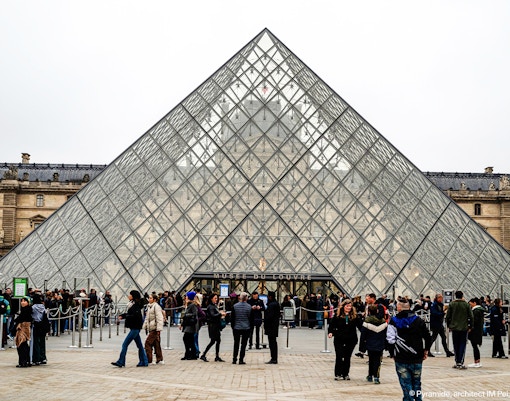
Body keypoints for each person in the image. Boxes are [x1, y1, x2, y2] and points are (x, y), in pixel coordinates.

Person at [387, 299, 431, 401]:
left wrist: (392, 353)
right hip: (417, 356)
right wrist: (426, 350)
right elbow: (428, 336)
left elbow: (390, 339)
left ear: (399, 307)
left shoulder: (394, 321)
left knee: (406, 384)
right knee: (417, 383)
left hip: (401, 356)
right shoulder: (418, 320)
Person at [111, 290, 148, 367]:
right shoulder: (134, 305)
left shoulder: (135, 305)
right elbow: (131, 314)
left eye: (130, 294)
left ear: (133, 296)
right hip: (134, 328)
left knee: (125, 344)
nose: (128, 295)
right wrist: (123, 316)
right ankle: (144, 361)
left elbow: (135, 316)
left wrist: (126, 317)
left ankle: (121, 361)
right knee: (140, 346)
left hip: (135, 328)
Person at [327, 299, 361, 380]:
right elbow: (331, 325)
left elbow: (360, 326)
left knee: (347, 356)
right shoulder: (337, 316)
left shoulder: (355, 316)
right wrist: (330, 332)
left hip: (351, 339)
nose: (349, 308)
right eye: (347, 306)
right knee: (339, 355)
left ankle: (345, 373)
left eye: (350, 306)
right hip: (339, 338)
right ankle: (338, 373)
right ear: (343, 306)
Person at [360, 305, 388, 384]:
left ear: (369, 311)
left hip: (370, 344)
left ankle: (370, 375)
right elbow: (386, 334)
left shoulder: (367, 321)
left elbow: (363, 335)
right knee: (377, 361)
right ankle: (376, 377)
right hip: (380, 344)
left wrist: (362, 347)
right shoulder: (383, 321)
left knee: (371, 360)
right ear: (377, 311)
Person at [446, 290, 473, 369]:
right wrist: (470, 326)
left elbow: (448, 316)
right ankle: (460, 362)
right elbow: (471, 316)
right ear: (462, 296)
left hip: (454, 328)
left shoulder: (452, 304)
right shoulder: (466, 305)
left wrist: (449, 326)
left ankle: (457, 361)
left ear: (455, 296)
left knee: (455, 344)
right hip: (464, 328)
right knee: (462, 344)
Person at [200, 293, 226, 362]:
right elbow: (212, 315)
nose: (216, 299)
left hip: (215, 326)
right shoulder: (211, 306)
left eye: (217, 298)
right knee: (213, 341)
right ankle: (204, 354)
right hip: (213, 326)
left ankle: (215, 356)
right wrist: (220, 314)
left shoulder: (213, 306)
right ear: (211, 298)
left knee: (216, 341)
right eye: (215, 298)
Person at [428, 293, 454, 357]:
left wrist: (443, 311)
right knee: (434, 337)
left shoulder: (440, 304)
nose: (441, 299)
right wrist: (443, 313)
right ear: (437, 298)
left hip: (439, 323)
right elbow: (434, 313)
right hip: (435, 323)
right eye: (440, 298)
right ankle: (427, 350)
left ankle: (447, 351)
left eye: (442, 298)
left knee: (443, 337)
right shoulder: (433, 305)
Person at [142, 293, 164, 365]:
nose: (149, 299)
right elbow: (147, 318)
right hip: (151, 328)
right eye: (149, 298)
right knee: (156, 344)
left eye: (151, 298)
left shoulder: (156, 307)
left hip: (154, 328)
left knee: (147, 343)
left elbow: (159, 318)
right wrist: (145, 326)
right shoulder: (149, 306)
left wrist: (159, 329)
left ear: (154, 300)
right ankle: (160, 359)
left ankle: (149, 360)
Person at [230, 291, 252, 364]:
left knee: (236, 343)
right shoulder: (249, 307)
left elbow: (232, 318)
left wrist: (233, 327)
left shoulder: (235, 306)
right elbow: (251, 319)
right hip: (246, 327)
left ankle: (234, 358)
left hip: (236, 327)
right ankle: (241, 359)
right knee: (243, 344)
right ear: (246, 298)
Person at [180, 291, 199, 360]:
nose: (186, 297)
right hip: (188, 324)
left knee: (187, 339)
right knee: (188, 339)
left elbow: (195, 314)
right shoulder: (189, 305)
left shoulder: (192, 305)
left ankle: (191, 354)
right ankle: (189, 354)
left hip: (191, 325)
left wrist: (186, 315)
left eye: (187, 296)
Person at [32, 293, 50, 365]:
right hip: (43, 325)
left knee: (36, 342)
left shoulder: (33, 307)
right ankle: (43, 357)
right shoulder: (43, 307)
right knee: (42, 341)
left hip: (36, 325)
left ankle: (37, 358)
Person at [14, 296, 32, 367]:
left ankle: (23, 361)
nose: (22, 302)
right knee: (23, 344)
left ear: (28, 302)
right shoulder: (25, 309)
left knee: (21, 344)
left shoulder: (26, 310)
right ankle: (25, 361)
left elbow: (21, 318)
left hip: (23, 328)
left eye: (24, 301)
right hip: (24, 328)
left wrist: (17, 320)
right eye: (22, 301)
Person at [467, 297, 484, 367]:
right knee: (475, 346)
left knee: (474, 346)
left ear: (474, 303)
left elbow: (474, 321)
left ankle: (477, 361)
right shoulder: (479, 310)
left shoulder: (476, 311)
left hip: (475, 331)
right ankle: (477, 361)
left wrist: (470, 327)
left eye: (471, 304)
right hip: (477, 330)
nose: (470, 305)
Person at [265, 291, 280, 364]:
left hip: (271, 326)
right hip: (274, 325)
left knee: (272, 342)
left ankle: (273, 358)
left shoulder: (271, 305)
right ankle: (274, 357)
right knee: (273, 341)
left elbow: (269, 316)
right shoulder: (276, 304)